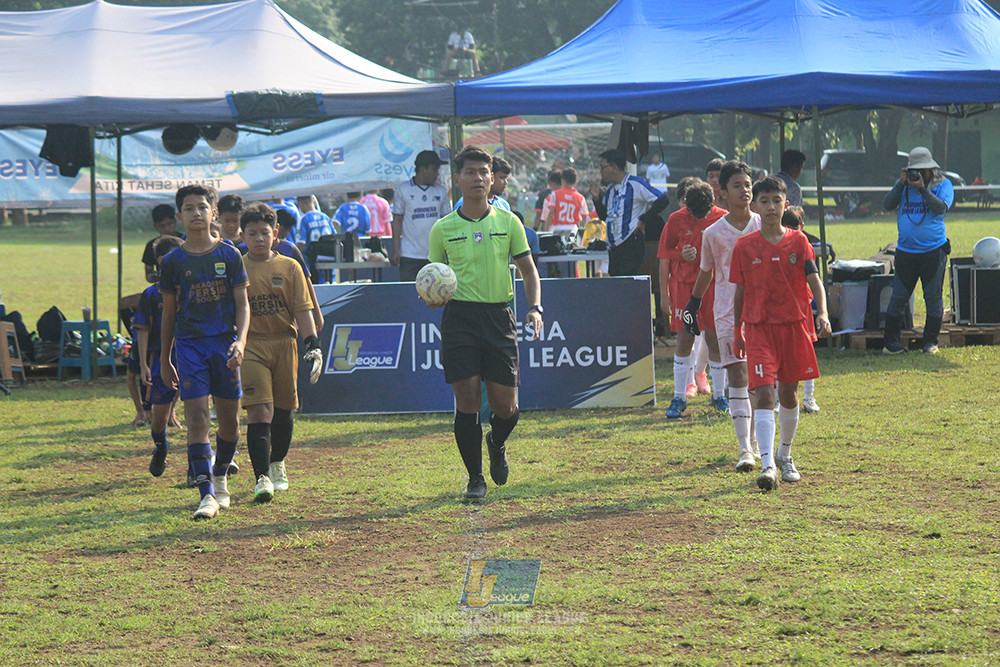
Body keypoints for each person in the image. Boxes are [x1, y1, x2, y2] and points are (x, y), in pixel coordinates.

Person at [427, 146, 542, 500]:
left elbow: (528, 270)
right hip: (459, 319)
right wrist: (433, 294)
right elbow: (433, 277)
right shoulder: (443, 228)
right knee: (468, 402)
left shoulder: (509, 223)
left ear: (493, 178)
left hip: (499, 317)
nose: (478, 178)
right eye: (471, 172)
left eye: (484, 172)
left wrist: (535, 308)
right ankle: (475, 478)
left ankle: (497, 441)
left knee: (506, 408)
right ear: (457, 179)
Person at [731, 176, 832, 491]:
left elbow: (814, 282)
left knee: (789, 395)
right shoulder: (744, 246)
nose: (771, 207)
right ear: (755, 206)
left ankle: (785, 455)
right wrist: (738, 329)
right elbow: (740, 291)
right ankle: (767, 465)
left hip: (793, 326)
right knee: (764, 393)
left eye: (777, 200)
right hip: (759, 329)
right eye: (765, 201)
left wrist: (823, 313)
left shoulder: (799, 242)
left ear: (786, 204)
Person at [159, 184, 249, 520]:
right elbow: (169, 312)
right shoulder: (172, 261)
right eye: (189, 208)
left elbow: (243, 304)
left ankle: (221, 474)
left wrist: (240, 341)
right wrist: (166, 358)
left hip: (224, 345)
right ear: (180, 215)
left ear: (213, 213)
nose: (196, 213)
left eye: (202, 207)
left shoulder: (229, 255)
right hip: (189, 346)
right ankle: (206, 496)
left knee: (230, 424)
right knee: (196, 418)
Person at [239, 202, 322, 503]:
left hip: (284, 342)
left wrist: (312, 344)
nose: (259, 238)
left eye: (264, 232)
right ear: (242, 235)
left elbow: (302, 310)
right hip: (251, 345)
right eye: (252, 233)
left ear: (275, 233)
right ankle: (261, 477)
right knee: (260, 411)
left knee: (285, 412)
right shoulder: (237, 265)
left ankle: (277, 463)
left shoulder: (290, 266)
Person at [683, 161, 761, 472]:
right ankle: (745, 449)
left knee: (761, 381)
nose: (745, 190)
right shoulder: (713, 233)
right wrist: (693, 303)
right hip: (728, 314)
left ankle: (758, 440)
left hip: (764, 314)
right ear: (722, 193)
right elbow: (706, 272)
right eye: (737, 185)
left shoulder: (764, 225)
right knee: (739, 378)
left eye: (747, 184)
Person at [659, 179, 728, 418]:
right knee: (685, 340)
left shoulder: (723, 218)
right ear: (686, 205)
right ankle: (679, 397)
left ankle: (719, 395)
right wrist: (681, 254)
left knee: (715, 340)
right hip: (685, 289)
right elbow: (664, 252)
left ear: (713, 204)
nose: (699, 219)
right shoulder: (676, 219)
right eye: (693, 214)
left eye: (704, 214)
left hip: (713, 288)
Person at [882, 146, 953, 355]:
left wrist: (923, 189)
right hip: (905, 251)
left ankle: (930, 342)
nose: (919, 174)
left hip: (933, 251)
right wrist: (900, 183)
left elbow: (941, 208)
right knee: (899, 297)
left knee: (932, 296)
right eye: (915, 170)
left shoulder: (943, 185)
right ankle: (891, 343)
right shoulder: (904, 186)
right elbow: (887, 204)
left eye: (923, 170)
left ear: (931, 170)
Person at [135, 235, 184, 478]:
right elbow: (142, 330)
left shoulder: (191, 289)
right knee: (158, 420)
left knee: (199, 411)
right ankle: (161, 446)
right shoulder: (151, 295)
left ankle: (200, 466)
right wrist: (144, 363)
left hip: (191, 352)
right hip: (161, 357)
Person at [589, 148, 670, 276]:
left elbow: (662, 200)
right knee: (617, 286)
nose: (601, 172)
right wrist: (597, 199)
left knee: (628, 286)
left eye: (603, 167)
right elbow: (605, 216)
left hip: (631, 243)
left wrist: (644, 219)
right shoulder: (610, 189)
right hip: (614, 246)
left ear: (614, 167)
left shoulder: (635, 184)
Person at [781, 206, 824, 414]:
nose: (791, 231)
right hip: (780, 309)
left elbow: (813, 279)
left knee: (806, 350)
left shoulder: (803, 244)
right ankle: (779, 399)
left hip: (802, 306)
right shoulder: (776, 244)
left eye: (794, 227)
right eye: (786, 227)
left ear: (803, 227)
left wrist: (822, 312)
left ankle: (809, 397)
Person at [391, 150, 452, 281]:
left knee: (435, 296)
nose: (437, 174)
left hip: (435, 255)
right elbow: (397, 220)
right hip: (410, 256)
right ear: (423, 170)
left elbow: (448, 222)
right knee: (409, 295)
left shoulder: (440, 191)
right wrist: (396, 250)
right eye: (434, 169)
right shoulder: (403, 189)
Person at [542, 167, 591, 238]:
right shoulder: (580, 197)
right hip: (572, 229)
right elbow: (585, 218)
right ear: (576, 182)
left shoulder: (555, 194)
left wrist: (546, 233)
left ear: (562, 181)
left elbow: (550, 214)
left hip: (557, 228)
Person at [141, 204, 181, 283]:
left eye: (170, 224)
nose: (167, 229)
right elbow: (148, 273)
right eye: (162, 226)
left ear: (175, 222)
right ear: (156, 226)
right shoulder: (152, 245)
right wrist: (157, 276)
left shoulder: (185, 240)